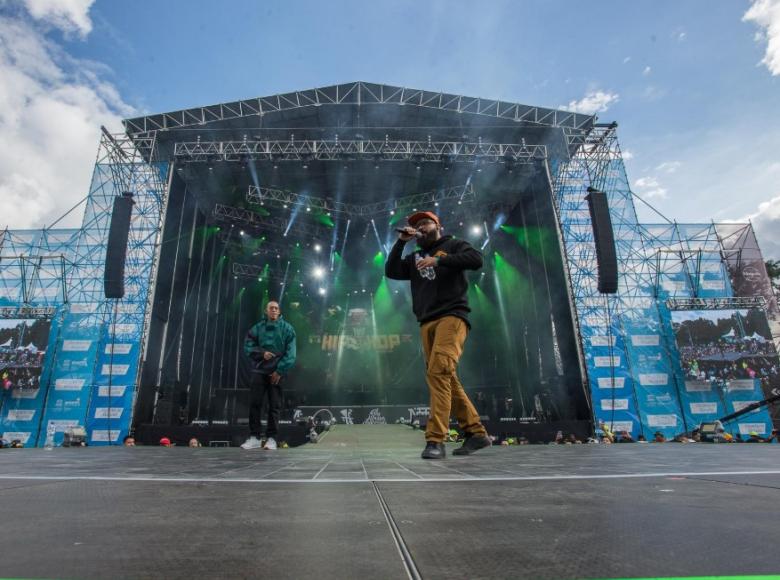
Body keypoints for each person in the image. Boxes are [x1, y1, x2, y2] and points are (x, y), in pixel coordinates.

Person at [385, 210, 490, 459]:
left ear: (437, 225)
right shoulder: (414, 257)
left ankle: (436, 439)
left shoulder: (454, 244)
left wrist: (439, 261)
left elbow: (476, 259)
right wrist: (401, 242)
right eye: (416, 224)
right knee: (446, 378)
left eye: (425, 222)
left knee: (438, 372)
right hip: (426, 321)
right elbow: (391, 271)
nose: (420, 226)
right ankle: (475, 432)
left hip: (452, 316)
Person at [241, 300, 297, 451]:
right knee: (255, 404)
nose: (273, 310)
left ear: (279, 311)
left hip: (276, 372)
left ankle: (271, 438)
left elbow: (291, 354)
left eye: (276, 308)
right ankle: (254, 438)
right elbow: (248, 345)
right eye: (271, 308)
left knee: (274, 406)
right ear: (266, 311)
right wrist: (261, 353)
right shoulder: (257, 328)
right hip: (259, 370)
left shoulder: (287, 329)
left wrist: (280, 371)